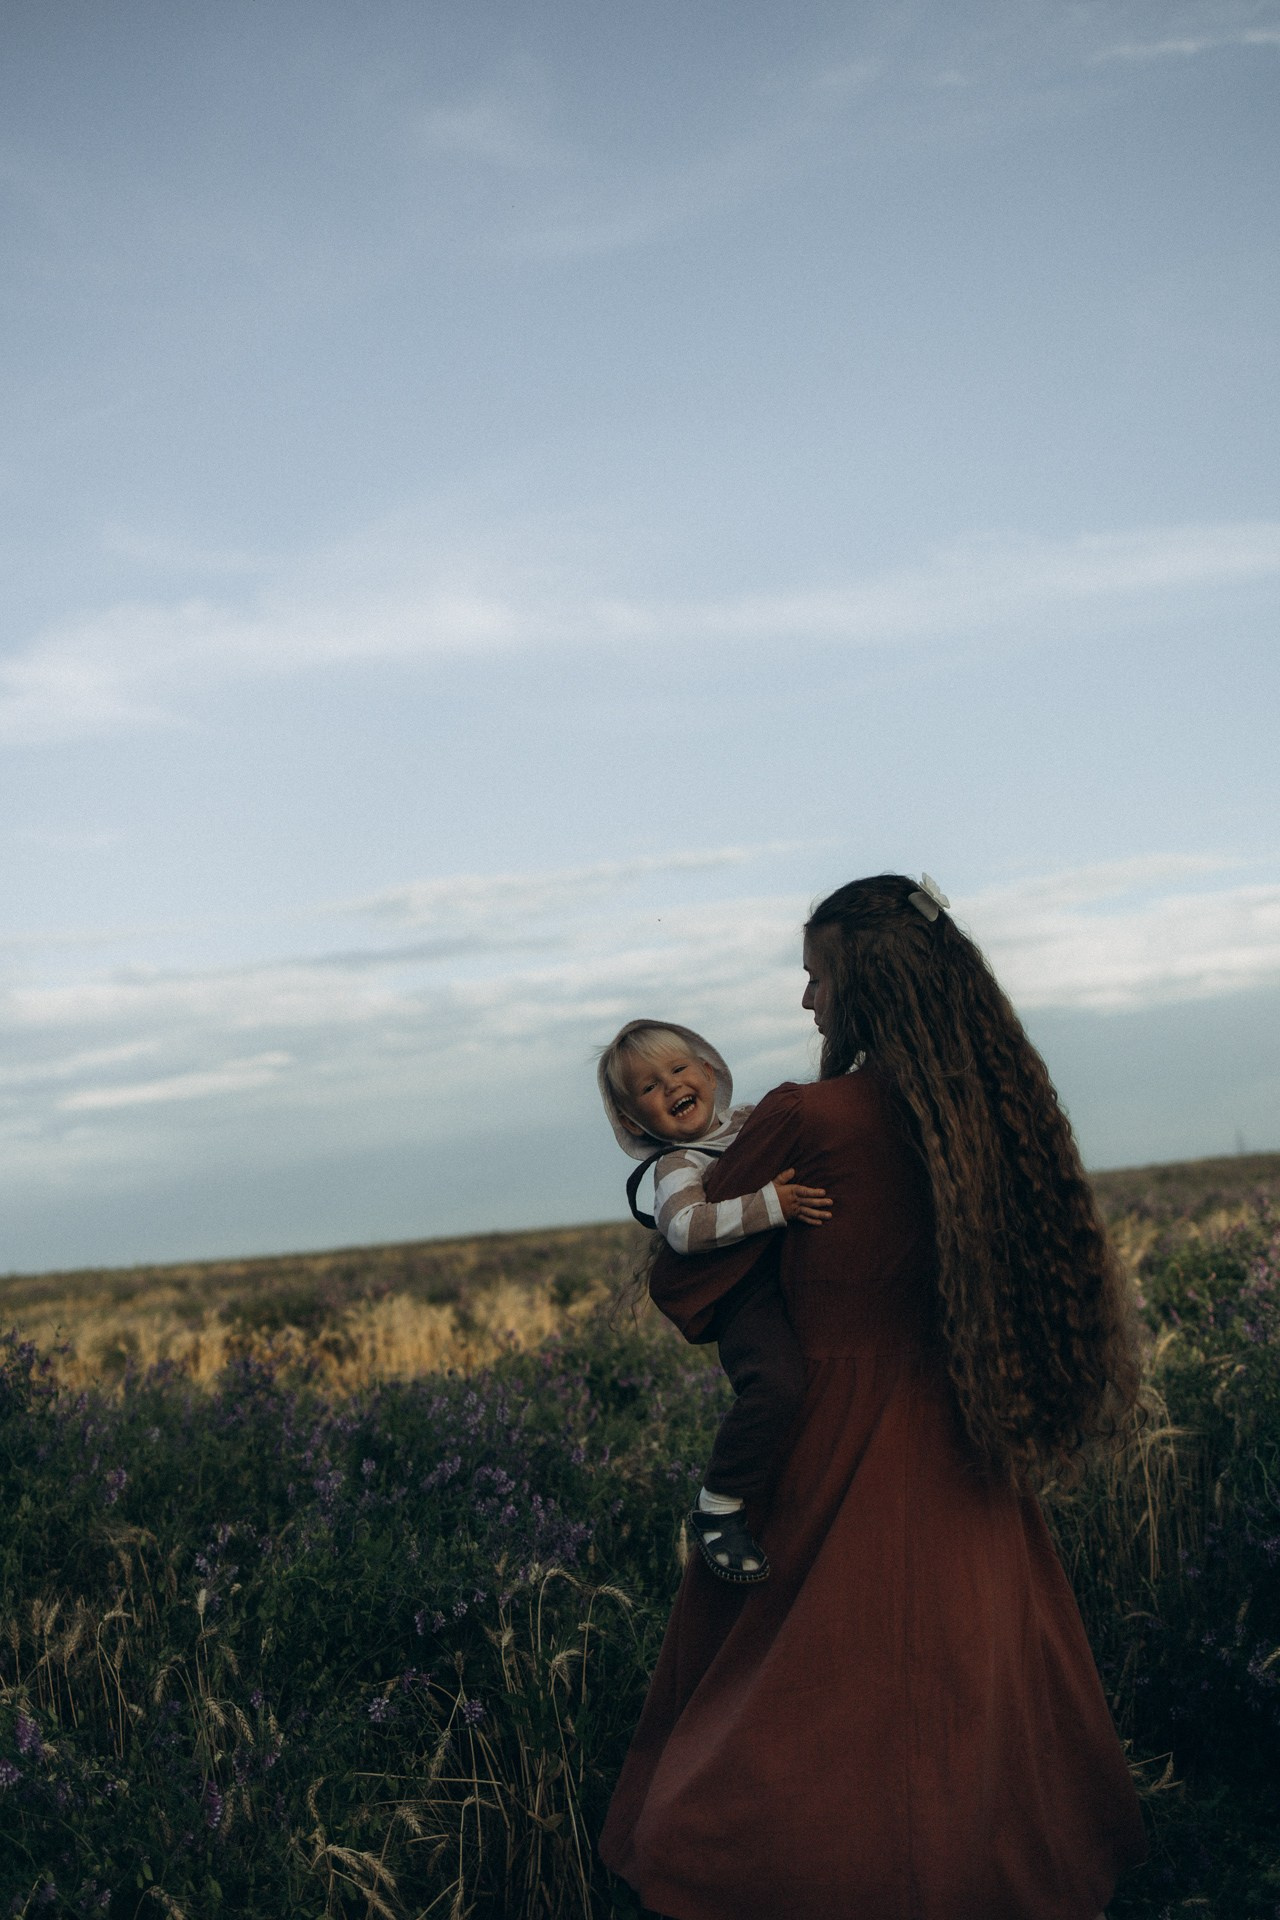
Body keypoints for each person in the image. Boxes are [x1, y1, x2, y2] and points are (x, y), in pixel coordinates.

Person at [599, 875, 1147, 1920]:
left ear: (855, 983)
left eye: (814, 978)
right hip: (961, 1423)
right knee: (966, 1676)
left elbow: (687, 1274)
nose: (807, 1003)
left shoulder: (808, 1116)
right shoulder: (982, 1110)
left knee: (798, 1686)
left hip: (830, 1430)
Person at [598, 1018, 831, 1583]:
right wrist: (771, 1204)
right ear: (634, 1121)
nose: (670, 1085)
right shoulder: (679, 1164)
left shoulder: (753, 1123)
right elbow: (684, 1227)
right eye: (649, 1087)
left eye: (678, 1069)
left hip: (786, 1277)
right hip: (742, 1299)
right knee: (775, 1383)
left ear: (709, 1072)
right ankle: (719, 1504)